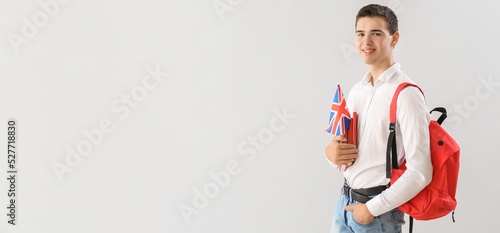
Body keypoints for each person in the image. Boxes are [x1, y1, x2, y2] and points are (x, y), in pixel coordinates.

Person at [324, 4, 433, 233]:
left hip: (378, 214)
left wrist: (372, 209)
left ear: (394, 39)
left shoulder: (406, 94)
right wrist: (331, 155)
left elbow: (421, 170)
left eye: (376, 33)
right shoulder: (356, 91)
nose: (366, 41)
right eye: (360, 33)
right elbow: (349, 156)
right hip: (344, 206)